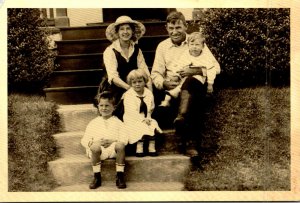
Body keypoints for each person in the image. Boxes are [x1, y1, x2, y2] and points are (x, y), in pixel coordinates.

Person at [151, 11, 221, 158]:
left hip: (192, 85)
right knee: (159, 111)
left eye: (178, 27)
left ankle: (191, 142)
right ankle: (177, 127)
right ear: (166, 28)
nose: (174, 32)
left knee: (191, 86)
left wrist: (193, 70)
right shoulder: (162, 47)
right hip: (172, 88)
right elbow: (155, 74)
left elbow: (215, 67)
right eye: (171, 28)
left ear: (186, 26)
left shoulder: (195, 41)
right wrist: (164, 83)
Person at [100, 15, 152, 106]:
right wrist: (131, 90)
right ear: (117, 32)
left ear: (132, 31)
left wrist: (150, 94)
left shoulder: (136, 50)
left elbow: (145, 73)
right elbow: (113, 77)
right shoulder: (110, 51)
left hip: (135, 84)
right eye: (122, 29)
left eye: (128, 28)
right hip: (116, 88)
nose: (125, 32)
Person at [81, 91, 128, 189]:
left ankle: (119, 176)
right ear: (98, 107)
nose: (104, 108)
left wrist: (113, 141)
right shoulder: (93, 123)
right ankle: (97, 177)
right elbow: (84, 140)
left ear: (114, 107)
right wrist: (95, 143)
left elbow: (125, 138)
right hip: (98, 151)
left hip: (112, 150)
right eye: (101, 105)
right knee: (94, 147)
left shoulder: (118, 122)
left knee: (121, 145)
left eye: (107, 105)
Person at [159, 32, 220, 107]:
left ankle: (176, 94)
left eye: (197, 45)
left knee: (191, 80)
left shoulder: (205, 56)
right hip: (185, 76)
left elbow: (212, 69)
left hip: (198, 79)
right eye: (192, 44)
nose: (194, 47)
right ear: (188, 45)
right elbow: (180, 64)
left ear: (203, 46)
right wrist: (177, 74)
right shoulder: (186, 54)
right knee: (176, 80)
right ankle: (166, 100)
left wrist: (210, 84)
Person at [122, 69, 162, 157]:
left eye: (140, 81)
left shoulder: (148, 93)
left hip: (146, 116)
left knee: (153, 124)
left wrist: (148, 117)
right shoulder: (128, 95)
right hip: (132, 118)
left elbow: (151, 107)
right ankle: (139, 148)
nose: (137, 84)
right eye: (134, 82)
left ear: (145, 82)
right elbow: (131, 111)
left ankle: (151, 147)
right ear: (131, 84)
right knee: (140, 126)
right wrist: (142, 120)